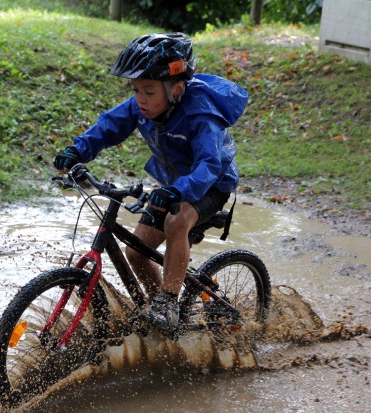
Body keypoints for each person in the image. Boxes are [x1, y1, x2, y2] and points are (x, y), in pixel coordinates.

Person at [54, 32, 248, 333]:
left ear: (177, 90)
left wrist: (177, 191)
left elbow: (208, 165)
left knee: (177, 220)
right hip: (175, 185)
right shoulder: (142, 105)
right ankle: (159, 314)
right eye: (135, 90)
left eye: (148, 91)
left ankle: (168, 303)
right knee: (136, 252)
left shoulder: (201, 114)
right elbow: (109, 126)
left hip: (210, 185)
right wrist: (78, 150)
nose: (140, 99)